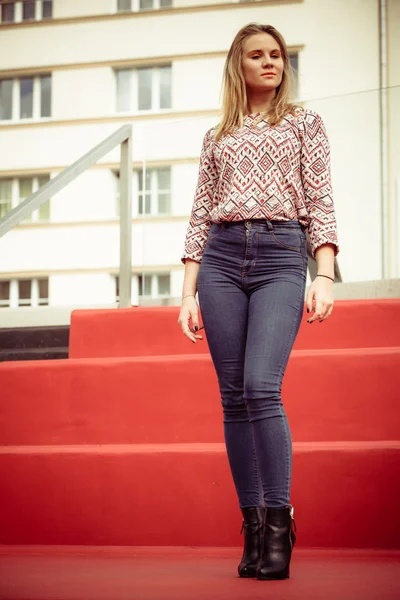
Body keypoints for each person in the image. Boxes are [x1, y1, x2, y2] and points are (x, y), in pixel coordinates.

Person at [178, 22, 339, 581]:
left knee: (259, 387)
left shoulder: (303, 122)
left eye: (277, 55)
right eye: (257, 55)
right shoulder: (216, 135)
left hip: (279, 255)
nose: (270, 62)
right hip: (220, 259)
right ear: (237, 65)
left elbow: (320, 197)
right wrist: (187, 294)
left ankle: (278, 521)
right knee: (230, 398)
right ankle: (250, 528)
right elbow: (200, 214)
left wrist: (324, 275)